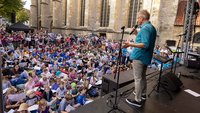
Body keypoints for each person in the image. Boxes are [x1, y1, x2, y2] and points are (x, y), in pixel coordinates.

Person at [123, 10, 157, 107]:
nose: (137, 20)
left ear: (142, 18)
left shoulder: (145, 28)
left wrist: (130, 44)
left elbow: (145, 44)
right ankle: (142, 94)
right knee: (142, 76)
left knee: (137, 78)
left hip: (139, 57)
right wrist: (136, 33)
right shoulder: (150, 27)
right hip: (145, 57)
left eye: (138, 17)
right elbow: (144, 38)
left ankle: (137, 100)